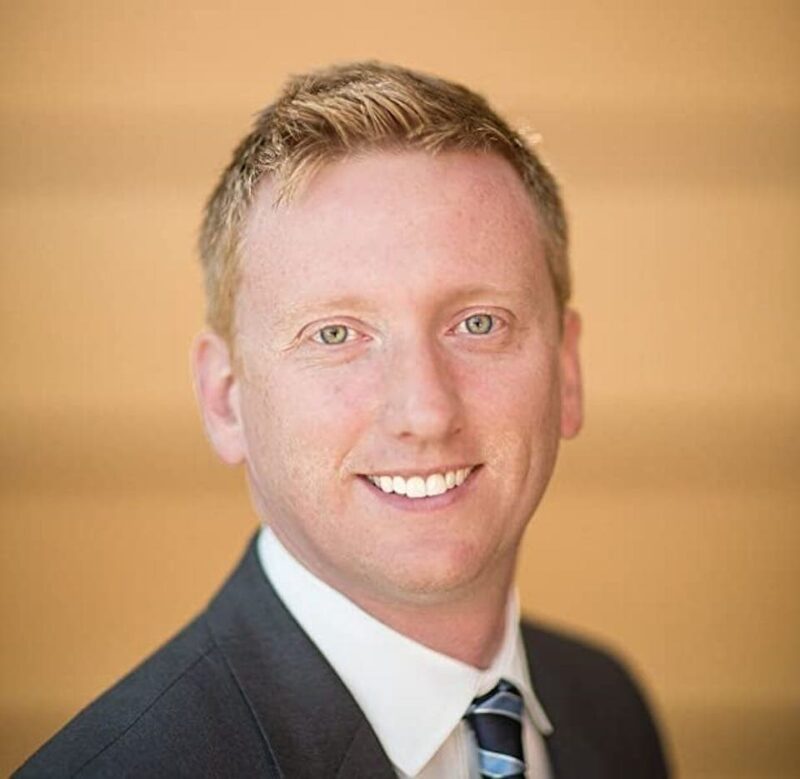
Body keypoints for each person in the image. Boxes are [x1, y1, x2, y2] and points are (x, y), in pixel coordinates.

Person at [16, 61, 669, 778]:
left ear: (566, 371)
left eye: (478, 322)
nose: (424, 411)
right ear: (225, 397)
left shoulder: (607, 708)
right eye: (335, 334)